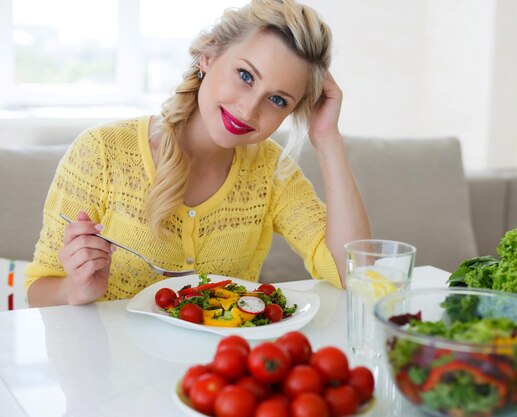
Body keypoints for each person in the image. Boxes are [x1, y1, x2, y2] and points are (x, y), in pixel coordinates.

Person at [25, 0, 370, 307]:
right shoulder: (101, 152)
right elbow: (37, 289)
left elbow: (355, 275)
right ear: (209, 56)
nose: (249, 110)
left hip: (221, 373)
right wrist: (76, 289)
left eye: (278, 100)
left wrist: (327, 138)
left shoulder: (272, 172)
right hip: (110, 368)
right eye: (245, 75)